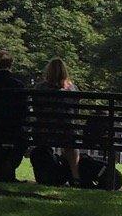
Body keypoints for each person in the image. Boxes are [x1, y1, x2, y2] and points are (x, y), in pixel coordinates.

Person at [28, 56, 82, 185]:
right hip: (66, 131)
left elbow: (36, 110)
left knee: (42, 146)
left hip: (43, 131)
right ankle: (75, 176)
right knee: (71, 145)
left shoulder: (40, 88)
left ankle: (45, 174)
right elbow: (75, 113)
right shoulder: (72, 89)